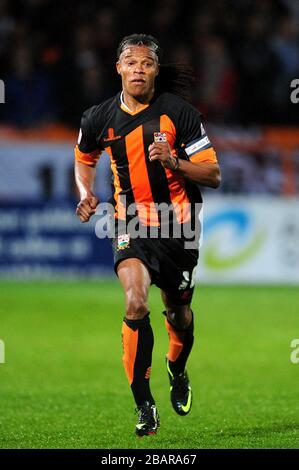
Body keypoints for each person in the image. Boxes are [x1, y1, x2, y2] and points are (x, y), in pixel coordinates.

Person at [74, 33, 221, 437]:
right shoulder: (98, 117)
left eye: (147, 63)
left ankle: (177, 369)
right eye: (131, 62)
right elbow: (84, 157)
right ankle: (145, 405)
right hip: (130, 223)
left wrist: (174, 162)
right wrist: (86, 193)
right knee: (135, 303)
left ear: (156, 70)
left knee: (179, 313)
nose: (138, 69)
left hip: (179, 227)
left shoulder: (180, 113)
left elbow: (213, 174)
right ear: (118, 67)